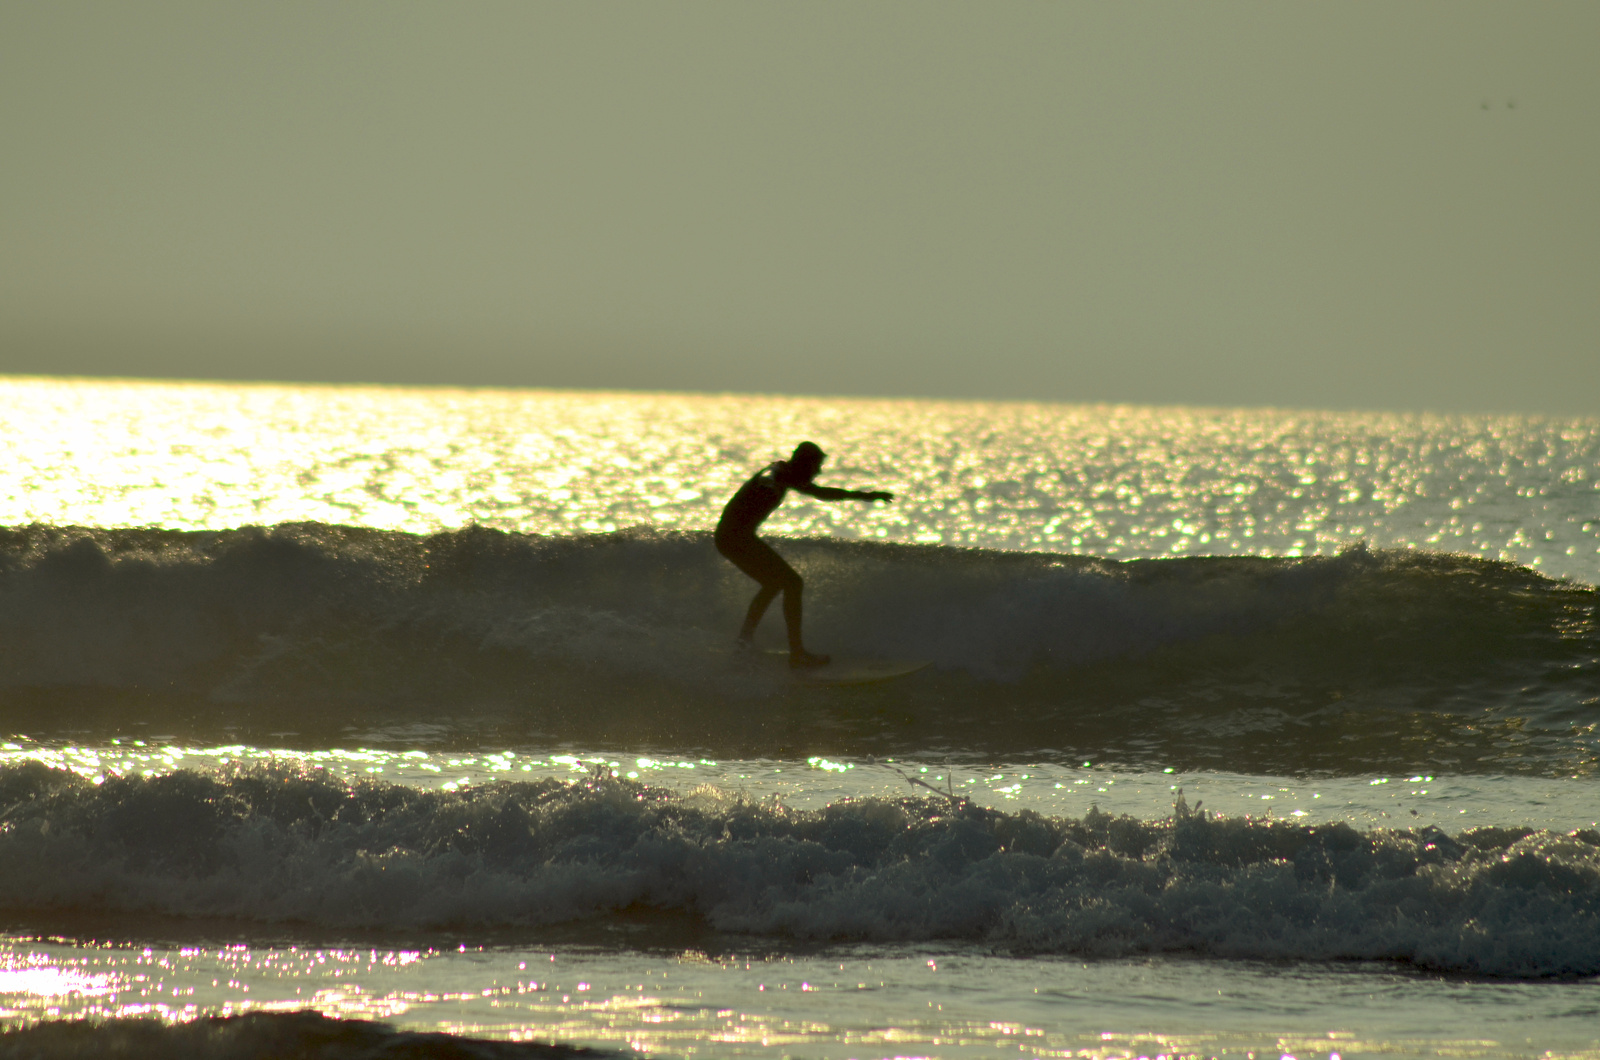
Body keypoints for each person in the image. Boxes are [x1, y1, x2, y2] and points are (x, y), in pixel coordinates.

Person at [715, 441, 893, 668]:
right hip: (735, 538)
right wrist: (767, 484)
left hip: (733, 538)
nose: (818, 472)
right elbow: (768, 478)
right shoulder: (775, 474)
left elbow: (821, 493)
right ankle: (797, 654)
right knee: (792, 583)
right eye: (816, 466)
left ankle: (744, 643)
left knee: (774, 584)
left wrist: (866, 496)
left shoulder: (787, 475)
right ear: (804, 463)